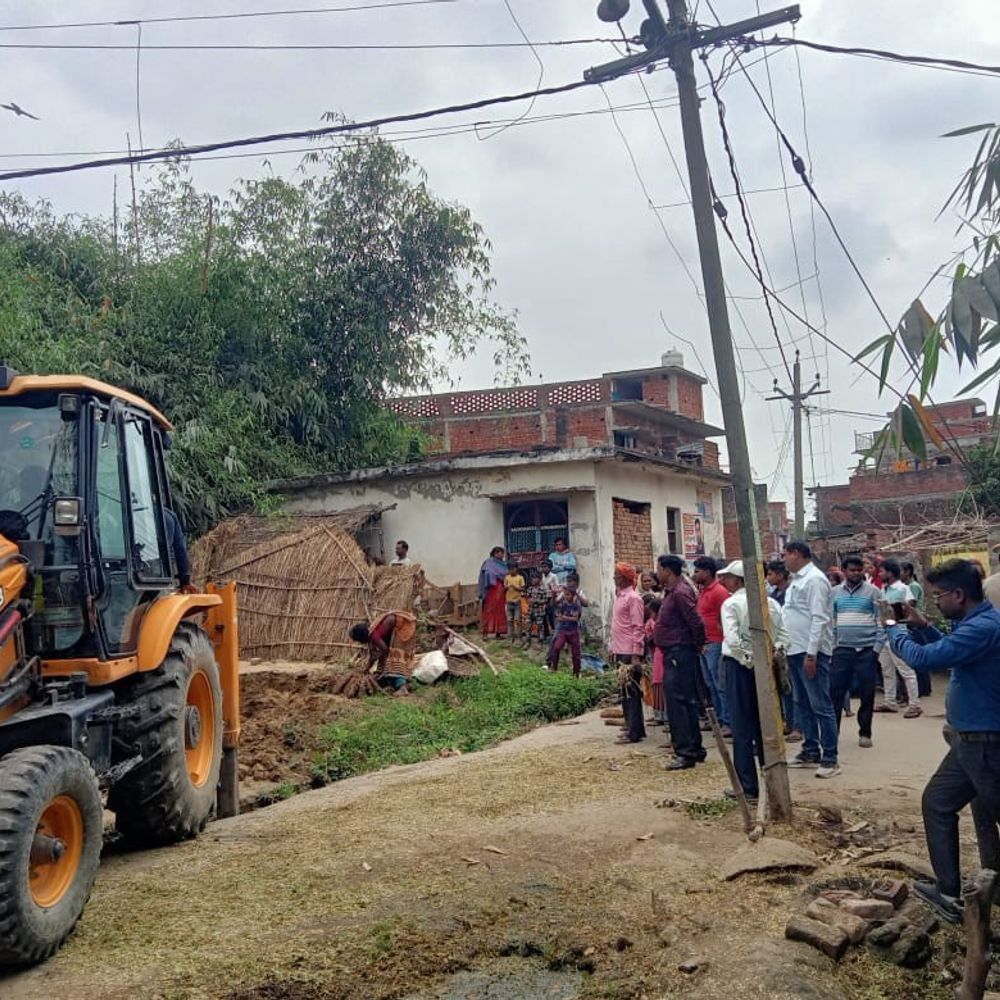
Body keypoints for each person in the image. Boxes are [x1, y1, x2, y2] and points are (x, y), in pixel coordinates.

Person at [879, 558, 1000, 924]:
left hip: (985, 743)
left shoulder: (984, 627)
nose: (935, 601)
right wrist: (925, 625)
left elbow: (924, 659)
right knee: (937, 802)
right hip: (969, 741)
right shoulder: (975, 623)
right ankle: (948, 893)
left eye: (938, 595)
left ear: (959, 595)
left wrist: (893, 628)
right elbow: (951, 652)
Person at [717, 560, 789, 801]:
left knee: (742, 726)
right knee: (765, 724)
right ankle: (772, 782)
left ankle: (748, 786)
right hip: (766, 666)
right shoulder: (771, 604)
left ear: (737, 580)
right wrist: (767, 657)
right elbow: (783, 636)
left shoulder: (731, 604)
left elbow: (733, 640)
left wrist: (747, 660)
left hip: (739, 667)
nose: (724, 581)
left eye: (728, 577)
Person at [783, 540, 840, 778]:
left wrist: (812, 653)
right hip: (794, 649)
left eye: (786, 555)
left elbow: (819, 618)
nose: (784, 559)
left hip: (810, 651)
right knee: (803, 704)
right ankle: (810, 749)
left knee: (821, 705)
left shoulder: (815, 579)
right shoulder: (797, 579)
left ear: (797, 554)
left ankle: (830, 758)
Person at [654, 554, 707, 771]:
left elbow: (695, 621)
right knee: (686, 701)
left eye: (659, 569)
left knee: (678, 702)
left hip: (679, 652)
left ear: (667, 570)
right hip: (675, 651)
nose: (657, 573)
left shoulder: (680, 593)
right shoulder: (672, 592)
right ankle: (694, 748)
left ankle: (686, 752)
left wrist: (697, 643)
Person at [829, 555, 884, 749]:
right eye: (852, 570)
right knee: (836, 693)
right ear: (844, 572)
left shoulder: (873, 592)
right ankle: (832, 734)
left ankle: (865, 733)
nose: (856, 573)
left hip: (866, 650)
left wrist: (876, 649)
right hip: (842, 650)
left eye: (859, 570)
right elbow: (832, 620)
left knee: (867, 693)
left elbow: (882, 622)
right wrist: (834, 646)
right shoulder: (834, 593)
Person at [876, 559, 922, 718]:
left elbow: (909, 607)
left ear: (890, 572)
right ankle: (890, 701)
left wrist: (895, 609)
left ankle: (915, 704)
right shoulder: (884, 589)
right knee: (887, 669)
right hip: (884, 634)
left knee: (905, 670)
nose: (880, 574)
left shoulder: (903, 589)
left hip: (898, 632)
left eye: (882, 571)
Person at [693, 556, 730, 735]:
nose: (695, 575)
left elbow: (724, 618)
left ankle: (727, 721)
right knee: (710, 684)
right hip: (705, 643)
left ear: (707, 572)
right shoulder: (703, 591)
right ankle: (719, 719)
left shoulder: (719, 592)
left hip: (715, 643)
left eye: (697, 571)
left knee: (719, 684)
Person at [612, 563, 646, 744]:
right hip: (620, 649)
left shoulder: (633, 598)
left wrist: (636, 654)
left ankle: (634, 732)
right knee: (624, 692)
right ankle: (631, 727)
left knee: (631, 692)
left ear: (625, 577)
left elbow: (637, 627)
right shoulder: (620, 596)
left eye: (617, 575)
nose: (614, 577)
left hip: (629, 651)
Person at [349, 610, 417, 693]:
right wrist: (366, 669)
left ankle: (402, 688)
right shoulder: (371, 634)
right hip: (399, 625)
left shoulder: (374, 636)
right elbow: (372, 656)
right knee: (386, 659)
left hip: (404, 626)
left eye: (358, 641)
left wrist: (378, 656)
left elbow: (384, 649)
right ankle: (391, 682)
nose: (360, 643)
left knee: (395, 658)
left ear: (361, 638)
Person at [547, 573, 583, 676]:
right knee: (557, 646)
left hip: (573, 631)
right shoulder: (563, 604)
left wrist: (564, 618)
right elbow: (557, 609)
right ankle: (554, 667)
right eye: (565, 594)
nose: (566, 596)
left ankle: (577, 672)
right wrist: (554, 594)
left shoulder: (576, 605)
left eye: (568, 595)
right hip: (564, 630)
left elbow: (576, 618)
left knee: (576, 653)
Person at [163, 507, 198, 595]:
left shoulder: (128, 514)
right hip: (162, 578)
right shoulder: (168, 516)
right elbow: (180, 549)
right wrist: (185, 581)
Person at [645, 596, 666, 729]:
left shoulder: (659, 623)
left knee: (659, 684)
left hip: (660, 655)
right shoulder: (655, 622)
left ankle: (663, 717)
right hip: (656, 655)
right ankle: (660, 715)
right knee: (657, 683)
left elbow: (654, 638)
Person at [478, 547, 509, 639]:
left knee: (500, 611)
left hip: (501, 590)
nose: (502, 555)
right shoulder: (488, 563)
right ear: (494, 553)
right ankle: (485, 633)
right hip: (491, 590)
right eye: (500, 553)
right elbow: (484, 575)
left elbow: (506, 575)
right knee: (488, 610)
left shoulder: (504, 564)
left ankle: (498, 633)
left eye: (502, 553)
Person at [524, 569, 549, 648]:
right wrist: (528, 598)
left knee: (540, 627)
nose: (533, 580)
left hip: (539, 611)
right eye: (532, 578)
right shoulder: (530, 589)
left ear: (540, 579)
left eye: (535, 578)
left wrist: (536, 601)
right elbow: (527, 597)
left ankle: (540, 642)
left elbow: (545, 600)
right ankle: (527, 641)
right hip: (530, 611)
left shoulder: (543, 589)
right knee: (528, 626)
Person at [503, 560, 525, 645]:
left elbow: (522, 589)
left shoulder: (520, 578)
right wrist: (507, 587)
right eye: (509, 569)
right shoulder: (507, 578)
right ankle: (510, 638)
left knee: (518, 620)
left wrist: (515, 587)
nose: (511, 571)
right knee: (509, 620)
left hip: (517, 602)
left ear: (516, 569)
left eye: (513, 569)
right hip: (508, 601)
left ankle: (519, 638)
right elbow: (504, 589)